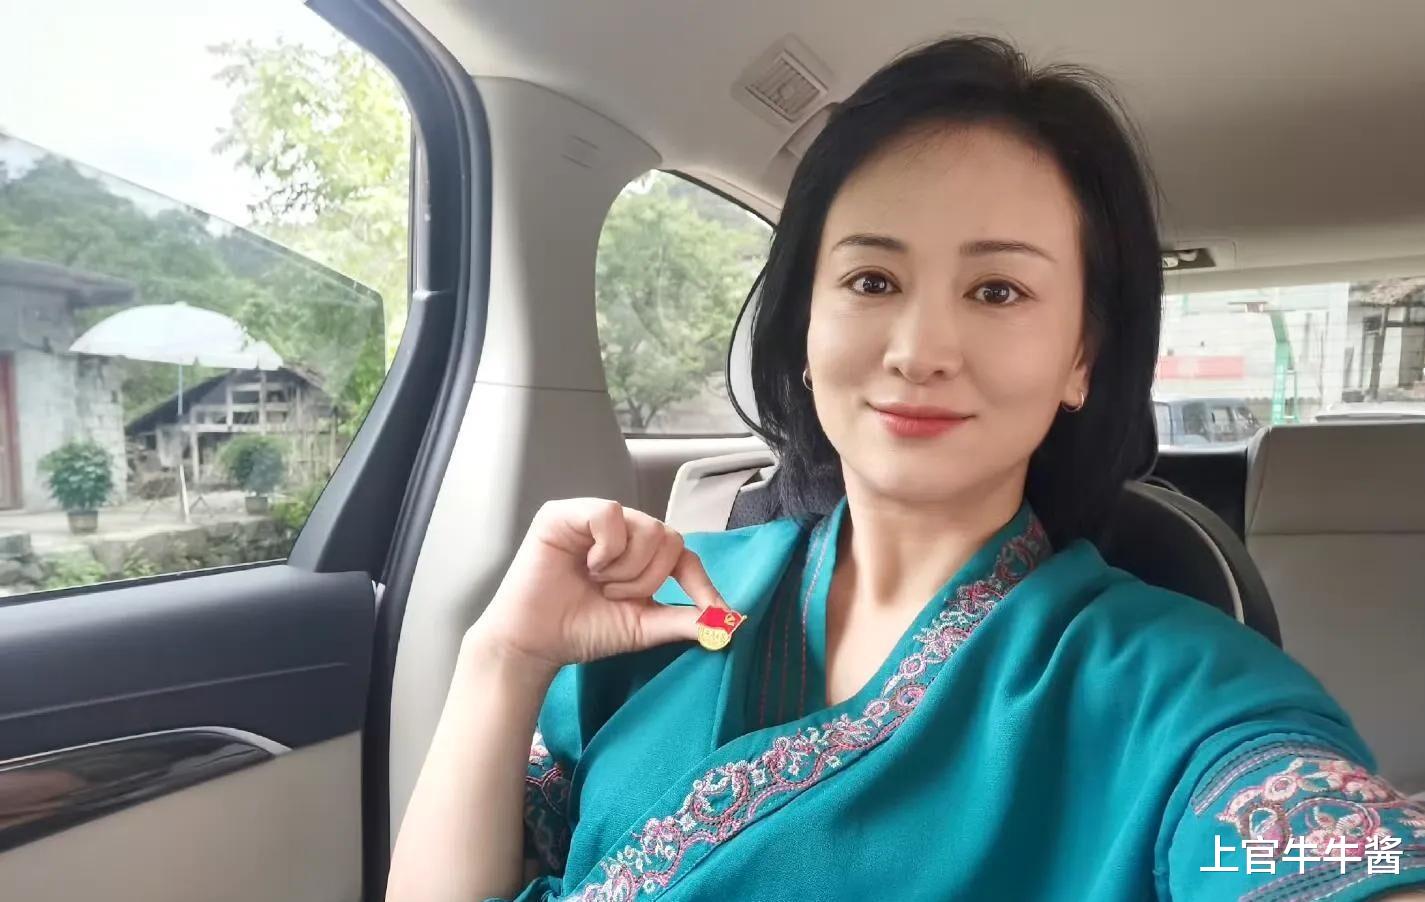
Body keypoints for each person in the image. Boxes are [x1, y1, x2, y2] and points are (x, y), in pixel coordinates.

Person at [387, 36, 1425, 902]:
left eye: (998, 291)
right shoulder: (652, 604)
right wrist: (504, 658)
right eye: (873, 279)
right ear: (805, 327)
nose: (920, 349)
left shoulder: (1173, 684)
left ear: (1081, 358)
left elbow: (1325, 847)